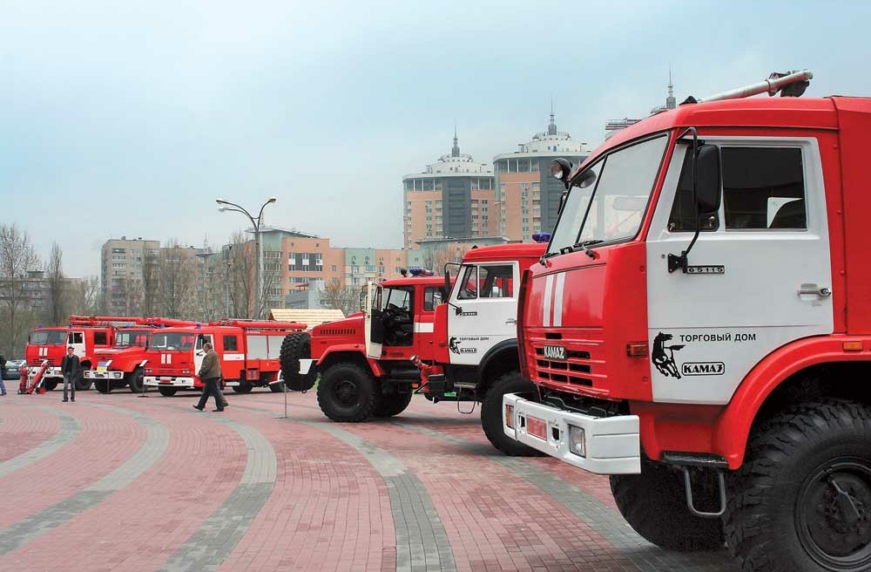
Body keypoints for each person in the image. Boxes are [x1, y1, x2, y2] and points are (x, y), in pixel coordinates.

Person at [194, 342, 224, 412]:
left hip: (211, 376)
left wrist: (200, 373)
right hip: (214, 375)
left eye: (204, 347)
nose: (203, 349)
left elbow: (206, 366)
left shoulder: (209, 355)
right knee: (206, 392)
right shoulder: (215, 353)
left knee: (215, 392)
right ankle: (200, 406)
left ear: (207, 348)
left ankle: (220, 407)